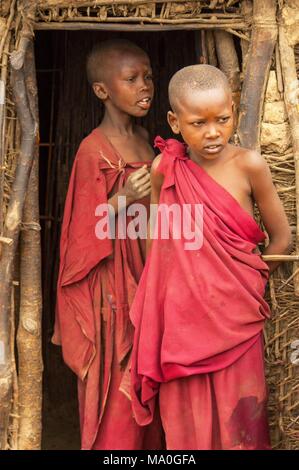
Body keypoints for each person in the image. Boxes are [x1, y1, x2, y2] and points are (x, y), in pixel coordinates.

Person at [130, 64, 292, 450]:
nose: (213, 132)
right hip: (181, 323)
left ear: (234, 109)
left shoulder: (249, 165)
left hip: (236, 315)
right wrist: (161, 300)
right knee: (188, 420)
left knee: (243, 417)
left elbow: (281, 237)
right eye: (198, 123)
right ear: (174, 122)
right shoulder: (164, 169)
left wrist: (244, 283)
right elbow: (159, 238)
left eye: (222, 119)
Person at [52, 39, 163, 450]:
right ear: (102, 91)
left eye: (148, 76)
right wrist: (124, 199)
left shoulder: (146, 139)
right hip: (110, 285)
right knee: (117, 377)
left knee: (148, 376)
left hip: (146, 271)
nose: (145, 86)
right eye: (131, 79)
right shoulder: (92, 149)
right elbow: (83, 230)